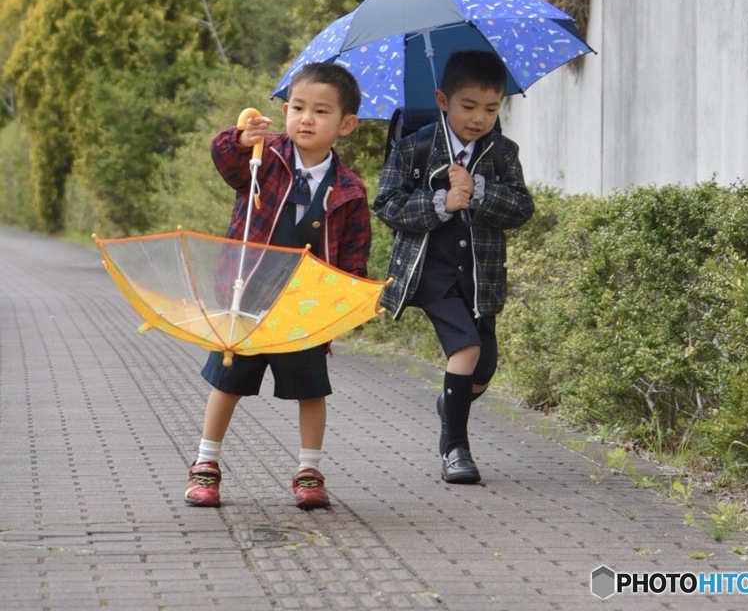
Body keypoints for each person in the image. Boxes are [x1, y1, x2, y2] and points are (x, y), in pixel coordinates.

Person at [185, 62, 371, 511]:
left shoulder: (348, 188)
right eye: (299, 108)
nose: (307, 119)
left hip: (304, 306)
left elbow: (353, 255)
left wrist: (343, 305)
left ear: (346, 125)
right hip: (247, 296)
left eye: (321, 111)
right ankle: (205, 464)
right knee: (227, 382)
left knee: (311, 390)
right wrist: (239, 138)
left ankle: (309, 470)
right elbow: (223, 158)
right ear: (286, 111)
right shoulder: (262, 158)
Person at [373, 50, 534, 484]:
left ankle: (453, 400)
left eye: (491, 108)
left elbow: (522, 209)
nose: (479, 118)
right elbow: (386, 205)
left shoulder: (502, 153)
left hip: (481, 275)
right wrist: (440, 203)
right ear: (443, 100)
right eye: (468, 107)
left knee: (482, 370)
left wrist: (480, 190)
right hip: (432, 271)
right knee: (465, 349)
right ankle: (455, 450)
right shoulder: (415, 148)